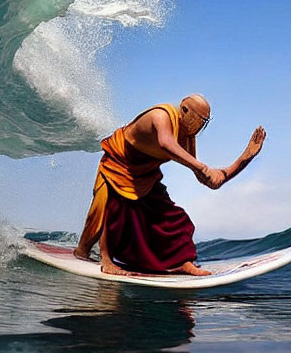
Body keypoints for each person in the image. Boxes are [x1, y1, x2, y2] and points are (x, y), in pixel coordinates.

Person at [73, 94, 266, 276]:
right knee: (108, 211)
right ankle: (104, 260)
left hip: (146, 176)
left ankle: (182, 263)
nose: (200, 126)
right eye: (199, 119)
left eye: (205, 122)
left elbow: (211, 181)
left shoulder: (188, 139)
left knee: (176, 221)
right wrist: (200, 166)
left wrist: (245, 157)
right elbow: (165, 143)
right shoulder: (160, 115)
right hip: (118, 165)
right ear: (184, 110)